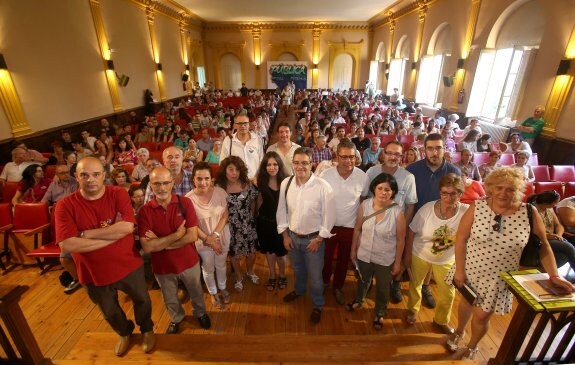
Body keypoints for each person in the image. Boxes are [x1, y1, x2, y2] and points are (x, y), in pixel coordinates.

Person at [445, 167, 573, 360]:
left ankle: (472, 345)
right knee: (466, 302)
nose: (503, 193)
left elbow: (544, 246)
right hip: (470, 268)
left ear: (518, 191)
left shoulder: (529, 212)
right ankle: (459, 331)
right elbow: (461, 238)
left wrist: (554, 275)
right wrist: (460, 270)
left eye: (510, 189)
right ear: (490, 188)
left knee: (482, 315)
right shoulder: (477, 206)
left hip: (499, 276)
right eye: (499, 187)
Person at [55, 157, 155, 357]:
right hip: (92, 272)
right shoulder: (64, 205)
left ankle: (147, 329)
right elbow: (68, 244)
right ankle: (124, 332)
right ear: (76, 177)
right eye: (84, 175)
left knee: (142, 300)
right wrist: (112, 235)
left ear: (103, 176)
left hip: (127, 263)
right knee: (109, 311)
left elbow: (127, 227)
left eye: (95, 174)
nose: (90, 179)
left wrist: (85, 233)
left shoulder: (117, 194)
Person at [138, 166, 210, 334]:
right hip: (162, 266)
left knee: (196, 292)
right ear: (151, 185)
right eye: (157, 184)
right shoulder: (145, 211)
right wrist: (178, 234)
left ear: (172, 183)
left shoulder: (185, 203)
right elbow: (148, 247)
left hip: (188, 261)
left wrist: (161, 243)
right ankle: (176, 318)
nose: (162, 188)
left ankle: (200, 313)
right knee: (169, 297)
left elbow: (192, 236)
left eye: (165, 183)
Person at [277, 147, 335, 324]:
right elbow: (281, 210)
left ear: (312, 164)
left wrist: (319, 239)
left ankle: (317, 304)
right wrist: (285, 236)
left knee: (316, 278)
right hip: (293, 238)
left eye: (304, 163)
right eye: (296, 162)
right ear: (292, 163)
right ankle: (299, 290)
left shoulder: (322, 186)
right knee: (298, 270)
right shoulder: (286, 183)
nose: (300, 166)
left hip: (313, 240)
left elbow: (329, 216)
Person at [405, 174, 469, 333]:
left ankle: (441, 320)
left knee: (448, 293)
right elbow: (412, 231)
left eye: (453, 193)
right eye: (444, 193)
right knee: (415, 285)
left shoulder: (466, 212)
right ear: (439, 193)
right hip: (420, 253)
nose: (448, 197)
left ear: (460, 194)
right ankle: (413, 310)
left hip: (447, 259)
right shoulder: (427, 208)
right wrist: (407, 256)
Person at [406, 133, 461, 308]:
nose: (434, 152)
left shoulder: (453, 171)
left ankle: (426, 286)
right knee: (411, 257)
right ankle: (397, 283)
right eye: (430, 148)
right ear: (424, 150)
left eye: (438, 148)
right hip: (415, 219)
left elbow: (457, 197)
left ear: (444, 149)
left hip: (441, 222)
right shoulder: (413, 169)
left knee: (433, 255)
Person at [347, 173, 406, 330]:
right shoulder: (365, 205)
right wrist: (353, 250)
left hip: (385, 257)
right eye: (380, 188)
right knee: (363, 280)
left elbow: (401, 240)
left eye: (388, 189)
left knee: (383, 287)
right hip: (364, 253)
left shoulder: (397, 212)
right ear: (374, 188)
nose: (383, 192)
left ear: (393, 192)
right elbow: (357, 229)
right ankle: (359, 300)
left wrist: (398, 263)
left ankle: (380, 311)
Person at [320, 140, 369, 305]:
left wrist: (360, 227)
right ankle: (324, 282)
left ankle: (338, 287)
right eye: (344, 157)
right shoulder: (326, 175)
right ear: (336, 157)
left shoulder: (362, 177)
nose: (348, 161)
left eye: (351, 157)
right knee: (325, 258)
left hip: (350, 226)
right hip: (329, 225)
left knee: (343, 260)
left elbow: (363, 202)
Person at [186, 162, 231, 309]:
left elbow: (225, 216)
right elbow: (192, 225)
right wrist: (209, 240)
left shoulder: (220, 192)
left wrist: (215, 236)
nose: (203, 182)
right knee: (208, 267)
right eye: (199, 179)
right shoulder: (188, 199)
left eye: (206, 178)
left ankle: (223, 287)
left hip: (221, 235)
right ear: (193, 179)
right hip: (202, 239)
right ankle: (213, 292)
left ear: (212, 179)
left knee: (221, 264)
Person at [216, 156, 259, 292]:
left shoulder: (248, 184)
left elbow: (253, 203)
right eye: (231, 169)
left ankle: (250, 271)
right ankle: (239, 277)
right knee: (234, 255)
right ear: (225, 170)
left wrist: (250, 218)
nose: (234, 173)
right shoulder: (219, 187)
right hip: (230, 226)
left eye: (237, 170)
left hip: (247, 224)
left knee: (251, 253)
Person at [255, 152, 289, 291]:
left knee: (281, 255)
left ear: (279, 165)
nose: (272, 167)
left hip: (281, 225)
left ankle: (282, 275)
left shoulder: (287, 181)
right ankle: (272, 275)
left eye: (275, 164)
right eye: (268, 164)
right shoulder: (259, 182)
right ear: (264, 167)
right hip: (265, 223)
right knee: (269, 253)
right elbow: (258, 203)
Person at [527, 190, 575, 272]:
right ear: (547, 203)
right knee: (569, 248)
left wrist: (559, 235)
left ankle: (547, 273)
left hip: (553, 238)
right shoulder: (532, 210)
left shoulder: (550, 209)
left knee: (563, 256)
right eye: (555, 203)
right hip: (539, 240)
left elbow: (558, 225)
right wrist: (547, 236)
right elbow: (530, 231)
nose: (556, 205)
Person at [219, 114, 264, 180]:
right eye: (240, 123)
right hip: (235, 182)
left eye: (245, 123)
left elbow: (261, 160)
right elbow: (222, 163)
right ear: (235, 125)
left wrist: (257, 177)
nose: (243, 126)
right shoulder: (228, 140)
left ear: (249, 125)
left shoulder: (257, 139)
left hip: (255, 181)